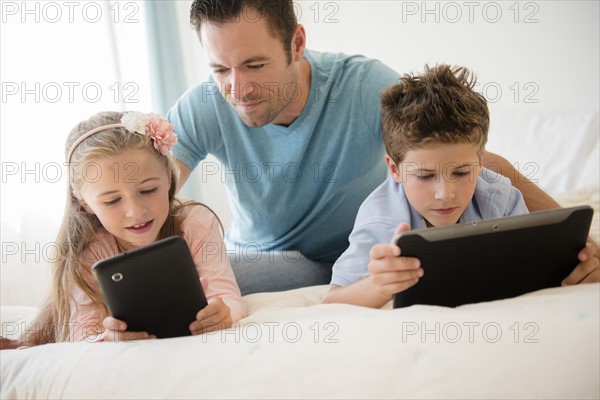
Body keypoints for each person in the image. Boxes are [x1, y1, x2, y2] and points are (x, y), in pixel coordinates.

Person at [167, 0, 598, 295]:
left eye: (254, 65)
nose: (237, 87)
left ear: (297, 43)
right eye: (220, 68)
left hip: (368, 246)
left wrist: (575, 236)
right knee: (188, 274)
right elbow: (150, 195)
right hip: (271, 259)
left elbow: (465, 157)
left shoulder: (363, 85)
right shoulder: (204, 104)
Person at [321, 65, 592, 307]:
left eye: (462, 172)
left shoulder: (500, 196)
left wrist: (579, 265)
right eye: (425, 176)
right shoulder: (381, 218)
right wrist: (377, 286)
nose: (446, 194)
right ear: (395, 170)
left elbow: (536, 265)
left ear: (481, 161)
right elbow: (333, 300)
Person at [1, 111, 245, 349]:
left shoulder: (194, 221)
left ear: (170, 178)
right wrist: (108, 339)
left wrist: (222, 313)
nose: (135, 212)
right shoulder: (89, 247)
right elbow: (82, 333)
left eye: (148, 190)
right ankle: (28, 339)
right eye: (111, 201)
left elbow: (227, 295)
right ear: (85, 203)